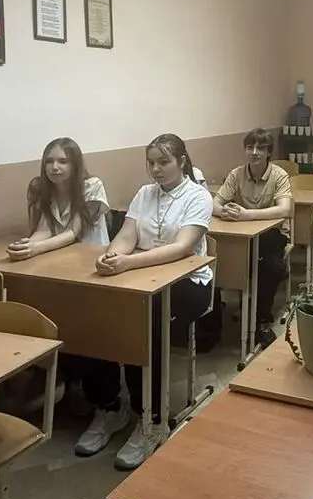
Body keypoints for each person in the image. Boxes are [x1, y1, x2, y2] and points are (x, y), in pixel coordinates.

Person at [72, 134, 213, 471]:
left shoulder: (198, 196)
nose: (156, 169)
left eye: (164, 162)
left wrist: (128, 263)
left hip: (188, 282)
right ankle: (109, 407)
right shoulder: (144, 193)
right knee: (94, 313)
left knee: (146, 322)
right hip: (140, 276)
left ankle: (151, 418)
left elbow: (182, 248)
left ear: (181, 161)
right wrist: (112, 256)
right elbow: (127, 235)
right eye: (151, 163)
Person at [213, 128, 292, 346]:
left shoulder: (279, 175)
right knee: (219, 256)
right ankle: (214, 321)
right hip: (242, 235)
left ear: (269, 152)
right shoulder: (236, 174)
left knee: (270, 267)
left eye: (260, 148)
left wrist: (248, 215)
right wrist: (222, 211)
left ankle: (261, 320)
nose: (254, 152)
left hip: (272, 234)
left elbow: (285, 209)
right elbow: (214, 202)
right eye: (250, 147)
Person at [6, 138, 109, 261]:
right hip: (58, 254)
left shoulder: (92, 186)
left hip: (91, 256)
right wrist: (26, 246)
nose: (54, 167)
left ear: (75, 165)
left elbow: (72, 232)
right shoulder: (40, 187)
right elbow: (44, 230)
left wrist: (36, 248)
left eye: (63, 162)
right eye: (49, 161)